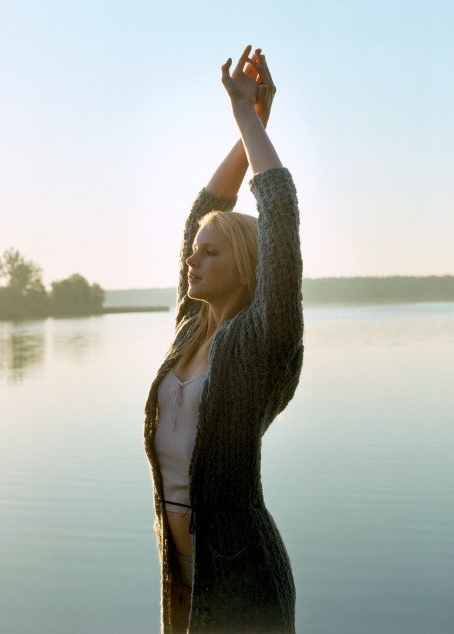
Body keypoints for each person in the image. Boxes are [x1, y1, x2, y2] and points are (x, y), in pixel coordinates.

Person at [143, 45, 304, 633]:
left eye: (210, 253)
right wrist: (249, 130)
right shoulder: (190, 329)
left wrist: (249, 120)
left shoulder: (263, 340)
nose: (192, 258)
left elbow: (279, 216)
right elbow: (205, 211)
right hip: (181, 571)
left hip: (244, 584)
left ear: (244, 264)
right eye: (193, 251)